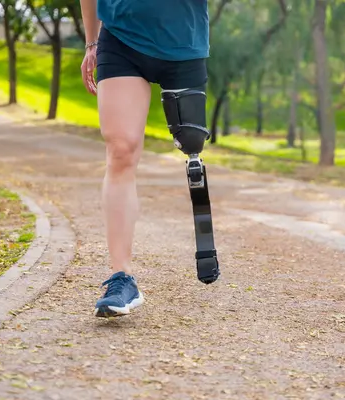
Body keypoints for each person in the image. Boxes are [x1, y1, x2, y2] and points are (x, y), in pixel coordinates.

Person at [79, 0, 210, 317]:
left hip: (184, 40)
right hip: (121, 37)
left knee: (192, 142)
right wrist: (92, 40)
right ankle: (121, 277)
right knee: (120, 150)